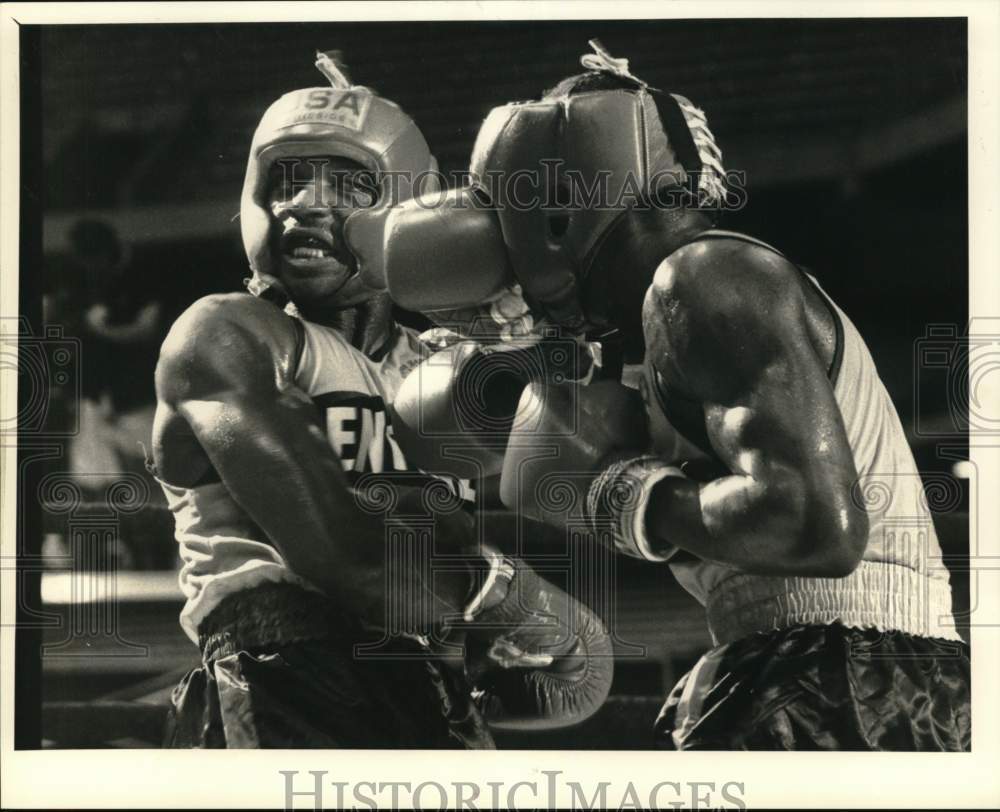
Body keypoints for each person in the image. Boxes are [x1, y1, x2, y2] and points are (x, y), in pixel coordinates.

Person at [386, 41, 970, 751]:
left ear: (556, 206)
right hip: (830, 668)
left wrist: (622, 495)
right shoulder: (667, 319)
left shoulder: (705, 277)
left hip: (843, 672)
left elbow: (813, 525)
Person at [150, 52, 612, 748]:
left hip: (428, 677)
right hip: (282, 671)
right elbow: (351, 561)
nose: (306, 204)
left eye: (347, 184)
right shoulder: (224, 332)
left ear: (408, 203)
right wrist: (520, 602)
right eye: (288, 181)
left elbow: (592, 455)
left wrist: (545, 339)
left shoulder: (439, 368)